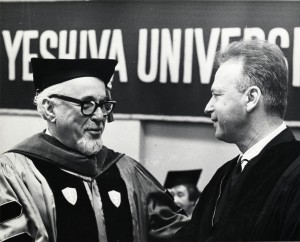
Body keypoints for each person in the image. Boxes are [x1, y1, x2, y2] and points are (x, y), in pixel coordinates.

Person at [0, 58, 188, 242]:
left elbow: (179, 232)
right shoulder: (13, 174)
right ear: (49, 109)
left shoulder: (128, 170)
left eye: (103, 105)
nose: (100, 116)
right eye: (86, 105)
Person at [176, 39, 300, 241]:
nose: (208, 107)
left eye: (217, 95)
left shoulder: (294, 173)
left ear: (251, 98)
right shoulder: (224, 175)